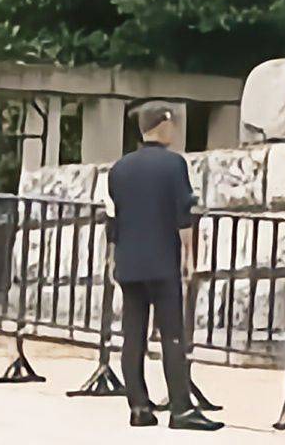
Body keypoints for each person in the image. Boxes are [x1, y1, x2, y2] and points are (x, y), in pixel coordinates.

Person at [106, 102, 221, 432]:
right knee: (172, 335)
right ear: (164, 124)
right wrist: (189, 256)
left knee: (133, 335)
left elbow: (112, 219)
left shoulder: (119, 168)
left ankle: (139, 405)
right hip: (161, 261)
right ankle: (180, 408)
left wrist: (113, 256)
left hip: (129, 262)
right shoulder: (173, 165)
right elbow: (182, 214)